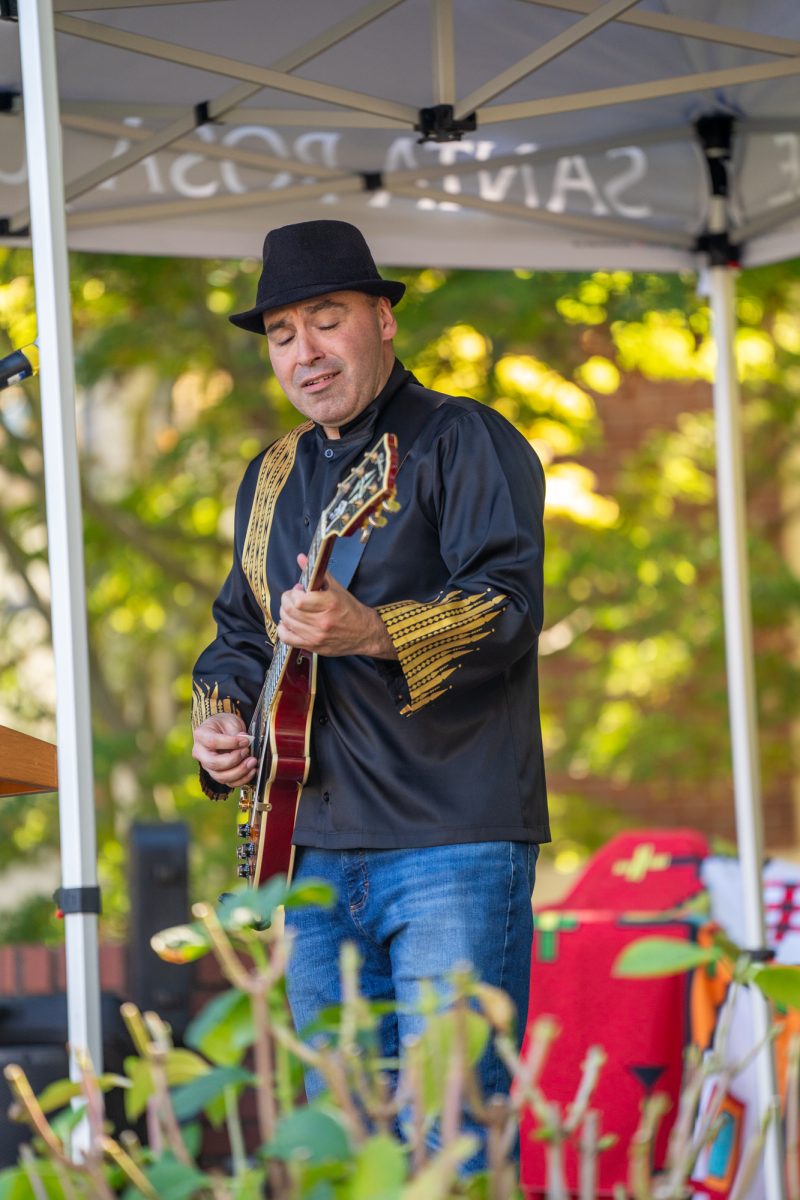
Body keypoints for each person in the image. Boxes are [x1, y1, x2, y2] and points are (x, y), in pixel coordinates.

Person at [191, 219, 548, 1164]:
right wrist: (220, 721)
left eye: (326, 320)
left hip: (451, 845)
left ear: (383, 320)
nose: (304, 352)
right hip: (309, 851)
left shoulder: (463, 438)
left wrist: (376, 629)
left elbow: (509, 606)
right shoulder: (269, 477)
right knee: (343, 1144)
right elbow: (239, 634)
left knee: (450, 1139)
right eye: (281, 335)